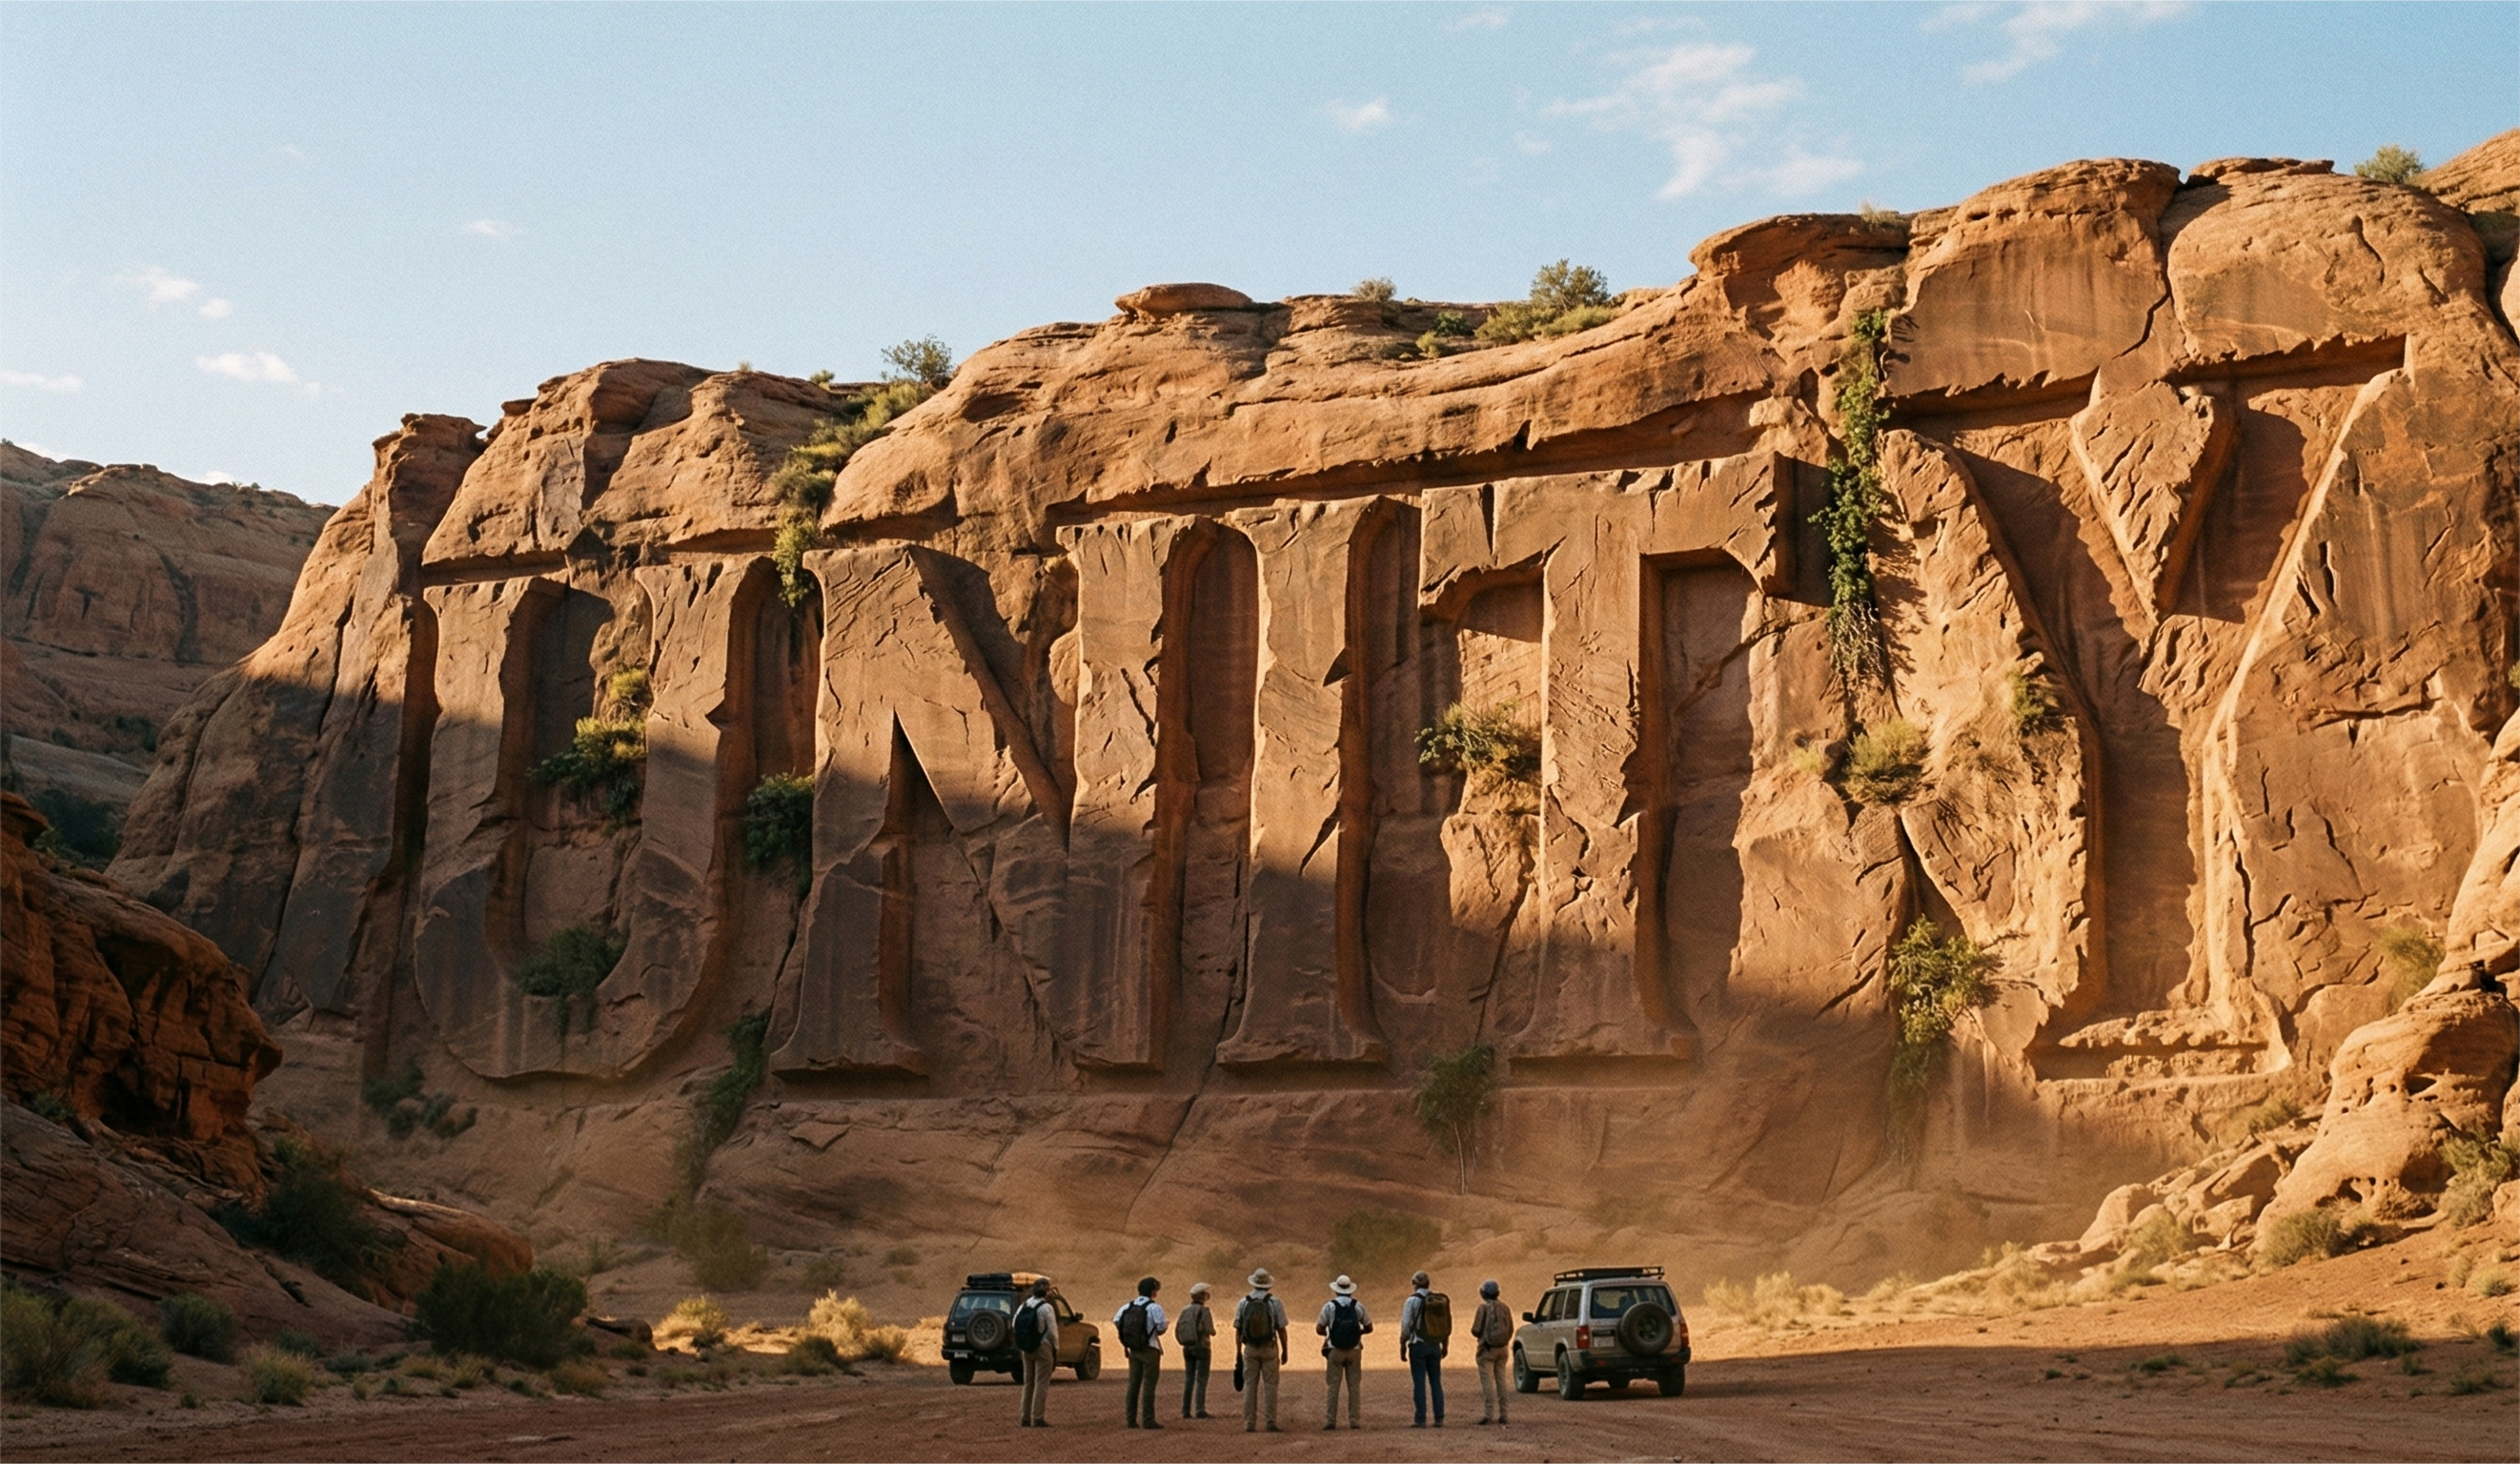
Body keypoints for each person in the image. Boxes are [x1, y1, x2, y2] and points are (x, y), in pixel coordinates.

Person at [1232, 1268, 1289, 1433]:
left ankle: (1250, 1423)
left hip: (1249, 1348)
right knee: (1270, 1385)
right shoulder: (1274, 1302)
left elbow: (1238, 1329)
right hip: (1269, 1348)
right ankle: (1270, 1422)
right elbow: (1282, 1329)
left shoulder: (1244, 1302)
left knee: (1250, 1385)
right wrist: (1285, 1350)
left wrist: (1238, 1353)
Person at [1315, 1274, 1373, 1430]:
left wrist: (1330, 1334)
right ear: (1350, 1290)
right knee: (1354, 1386)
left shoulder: (1330, 1306)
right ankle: (1354, 1420)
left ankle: (1330, 1421)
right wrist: (1357, 1333)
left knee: (1333, 1386)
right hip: (1354, 1349)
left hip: (1335, 1349)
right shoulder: (1358, 1306)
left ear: (1336, 1290)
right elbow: (1369, 1327)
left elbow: (1319, 1328)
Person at [1114, 1276, 1169, 1429]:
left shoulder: (1127, 1307)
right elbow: (1161, 1327)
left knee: (1133, 1384)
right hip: (1150, 1349)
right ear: (1153, 1291)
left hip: (1133, 1349)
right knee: (1149, 1386)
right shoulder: (1154, 1307)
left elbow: (1117, 1321)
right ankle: (1148, 1419)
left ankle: (1130, 1419)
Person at [1399, 1270, 1447, 1428]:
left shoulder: (1411, 1301)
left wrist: (1402, 1346)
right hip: (1435, 1345)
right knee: (1436, 1382)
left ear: (1414, 1284)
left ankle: (1421, 1418)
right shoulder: (1438, 1301)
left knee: (1419, 1383)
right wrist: (1445, 1346)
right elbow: (1445, 1326)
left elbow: (1406, 1327)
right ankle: (1439, 1417)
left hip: (1418, 1346)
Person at [1014, 1278, 1060, 1428]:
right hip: (1043, 1346)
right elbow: (1053, 1331)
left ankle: (1024, 1416)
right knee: (1041, 1383)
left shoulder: (1025, 1305)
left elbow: (1015, 1323)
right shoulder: (1046, 1308)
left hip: (1026, 1347)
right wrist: (1055, 1348)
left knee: (1028, 1383)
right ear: (1046, 1292)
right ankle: (1037, 1417)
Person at [1470, 1279, 1514, 1425]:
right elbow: (1510, 1328)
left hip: (1487, 1350)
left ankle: (1489, 1414)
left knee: (1488, 1383)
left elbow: (1476, 1330)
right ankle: (1504, 1414)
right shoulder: (1505, 1308)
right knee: (1501, 1381)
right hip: (1503, 1349)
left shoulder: (1483, 1308)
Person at [1176, 1281, 1216, 1419]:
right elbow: (1210, 1329)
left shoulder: (1185, 1310)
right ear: (1203, 1296)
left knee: (1189, 1379)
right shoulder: (1204, 1311)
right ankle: (1200, 1409)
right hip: (1202, 1347)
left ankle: (1185, 1410)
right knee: (1201, 1379)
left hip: (1187, 1347)